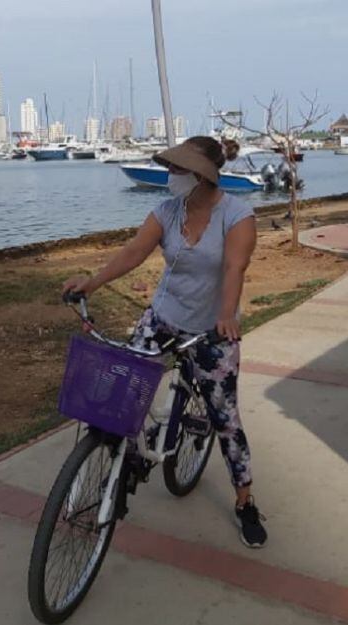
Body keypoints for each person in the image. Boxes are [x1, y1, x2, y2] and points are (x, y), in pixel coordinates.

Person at [63, 136, 267, 548]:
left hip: (211, 330)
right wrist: (93, 283)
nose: (171, 175)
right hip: (163, 317)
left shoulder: (237, 216)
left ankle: (245, 501)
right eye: (171, 167)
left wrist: (227, 314)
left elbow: (235, 267)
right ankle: (122, 462)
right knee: (123, 395)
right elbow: (134, 251)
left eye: (179, 169)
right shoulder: (167, 211)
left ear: (201, 175)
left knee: (225, 419)